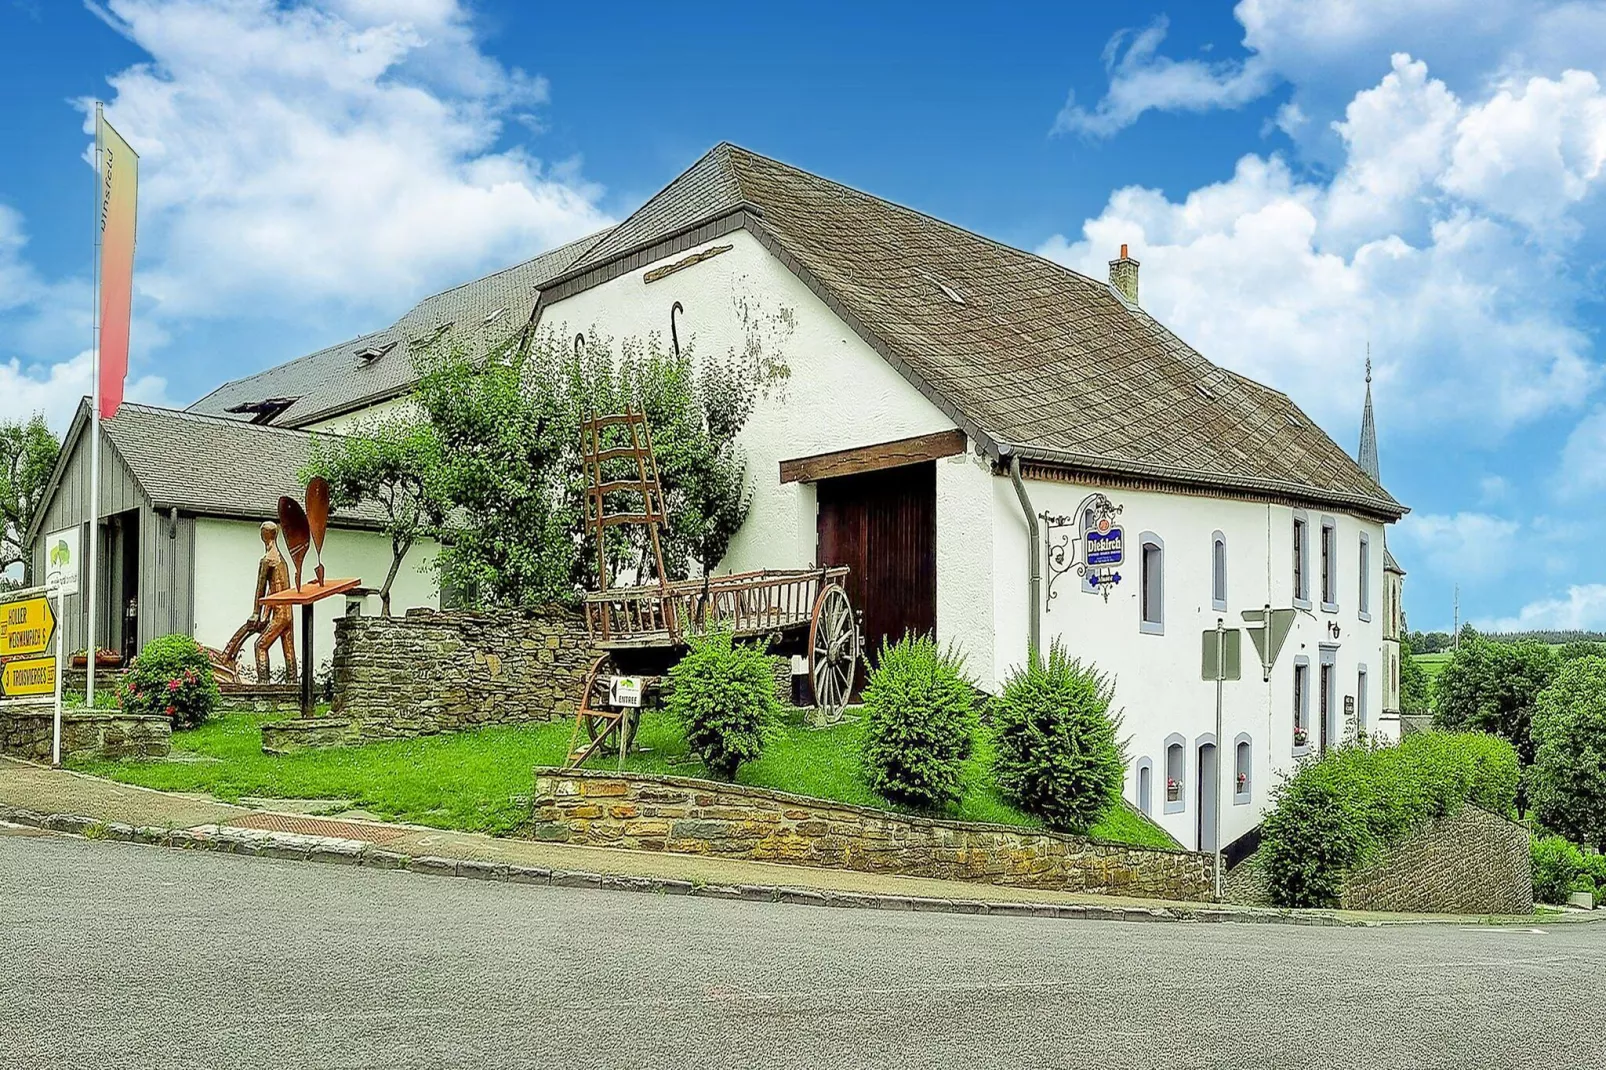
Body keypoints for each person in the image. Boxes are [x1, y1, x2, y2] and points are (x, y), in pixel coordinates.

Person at [223, 521, 297, 682]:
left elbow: (261, 589)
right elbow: (274, 590)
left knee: (260, 645)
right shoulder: (282, 561)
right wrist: (266, 614)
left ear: (265, 535)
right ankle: (292, 682)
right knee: (289, 648)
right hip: (288, 613)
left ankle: (263, 683)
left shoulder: (267, 560)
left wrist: (256, 613)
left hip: (280, 614)